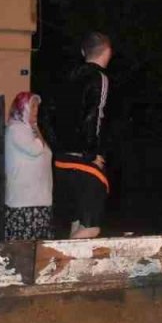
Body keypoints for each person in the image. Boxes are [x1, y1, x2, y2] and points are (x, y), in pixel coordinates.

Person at [52, 32, 113, 238]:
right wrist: (91, 153)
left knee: (77, 224)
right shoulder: (99, 77)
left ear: (82, 52)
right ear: (108, 52)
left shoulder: (69, 76)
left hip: (62, 160)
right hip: (83, 161)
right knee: (90, 228)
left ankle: (72, 269)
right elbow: (93, 116)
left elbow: (53, 114)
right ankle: (56, 264)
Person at [4, 91, 53, 240]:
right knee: (24, 249)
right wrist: (36, 128)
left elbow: (46, 151)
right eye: (32, 106)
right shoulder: (16, 129)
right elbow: (36, 149)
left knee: (40, 250)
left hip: (38, 200)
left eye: (37, 107)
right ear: (22, 108)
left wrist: (36, 128)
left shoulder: (29, 130)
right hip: (24, 202)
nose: (36, 110)